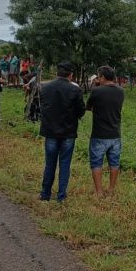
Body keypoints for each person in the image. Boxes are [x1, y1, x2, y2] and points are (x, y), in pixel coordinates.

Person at [39, 62, 85, 202]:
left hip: (50, 131)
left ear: (57, 73)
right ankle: (61, 196)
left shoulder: (45, 88)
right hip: (68, 131)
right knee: (65, 164)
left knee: (50, 163)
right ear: (71, 75)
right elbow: (81, 111)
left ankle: (45, 194)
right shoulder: (75, 90)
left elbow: (43, 107)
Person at [86, 66, 124, 196]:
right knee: (114, 163)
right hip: (115, 133)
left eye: (99, 77)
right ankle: (111, 189)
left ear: (102, 77)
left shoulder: (97, 91)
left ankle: (99, 191)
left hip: (99, 133)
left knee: (96, 163)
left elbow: (88, 106)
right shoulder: (121, 91)